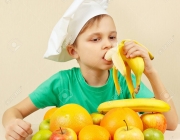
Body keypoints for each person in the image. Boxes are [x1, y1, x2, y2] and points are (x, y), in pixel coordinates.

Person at [2, 0, 178, 139]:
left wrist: (150, 72)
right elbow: (12, 112)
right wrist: (12, 124)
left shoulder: (126, 82)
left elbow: (171, 124)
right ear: (73, 51)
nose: (108, 44)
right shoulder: (61, 83)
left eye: (112, 37)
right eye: (95, 39)